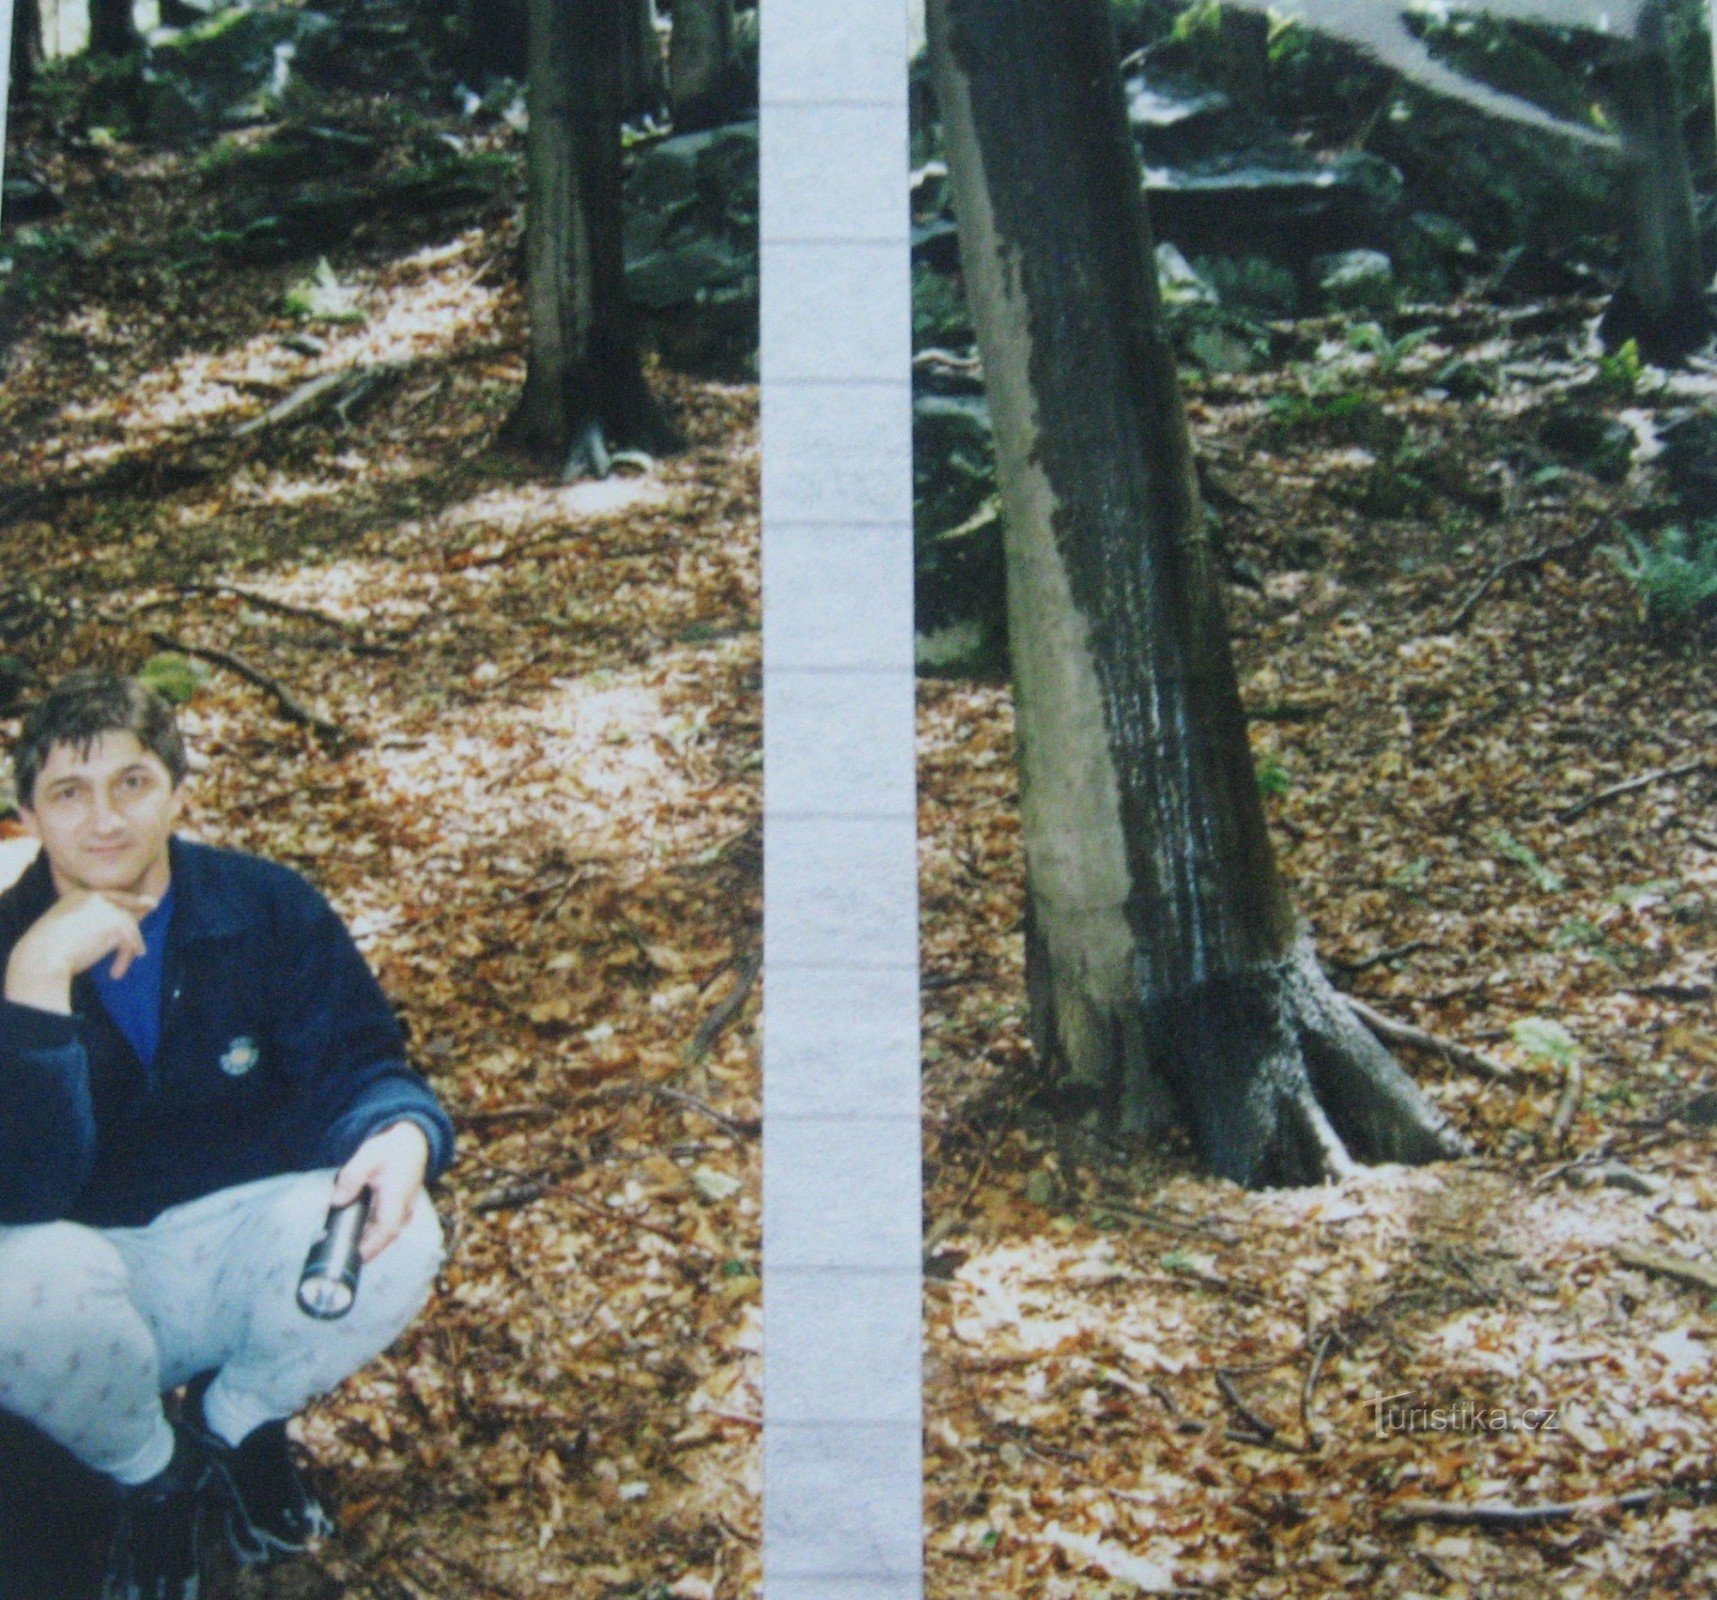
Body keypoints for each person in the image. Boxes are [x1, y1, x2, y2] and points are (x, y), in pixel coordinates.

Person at [0, 669, 455, 1600]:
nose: (105, 821)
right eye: (69, 793)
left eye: (133, 782)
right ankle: (151, 1473)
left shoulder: (263, 904)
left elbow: (361, 1060)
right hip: (76, 1282)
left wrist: (401, 1130)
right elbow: (23, 1192)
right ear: (27, 816)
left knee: (404, 1230)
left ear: (177, 789)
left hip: (237, 1243)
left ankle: (232, 1426)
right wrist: (36, 979)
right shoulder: (10, 943)